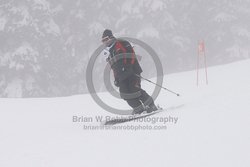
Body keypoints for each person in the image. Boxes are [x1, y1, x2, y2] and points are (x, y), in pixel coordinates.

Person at [101, 29, 158, 114]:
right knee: (125, 94)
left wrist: (129, 68)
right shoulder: (109, 52)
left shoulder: (121, 43)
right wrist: (116, 78)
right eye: (103, 40)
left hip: (132, 71)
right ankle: (139, 109)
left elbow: (131, 55)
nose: (104, 42)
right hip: (122, 76)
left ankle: (151, 106)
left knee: (135, 90)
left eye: (106, 39)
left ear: (111, 37)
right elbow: (114, 67)